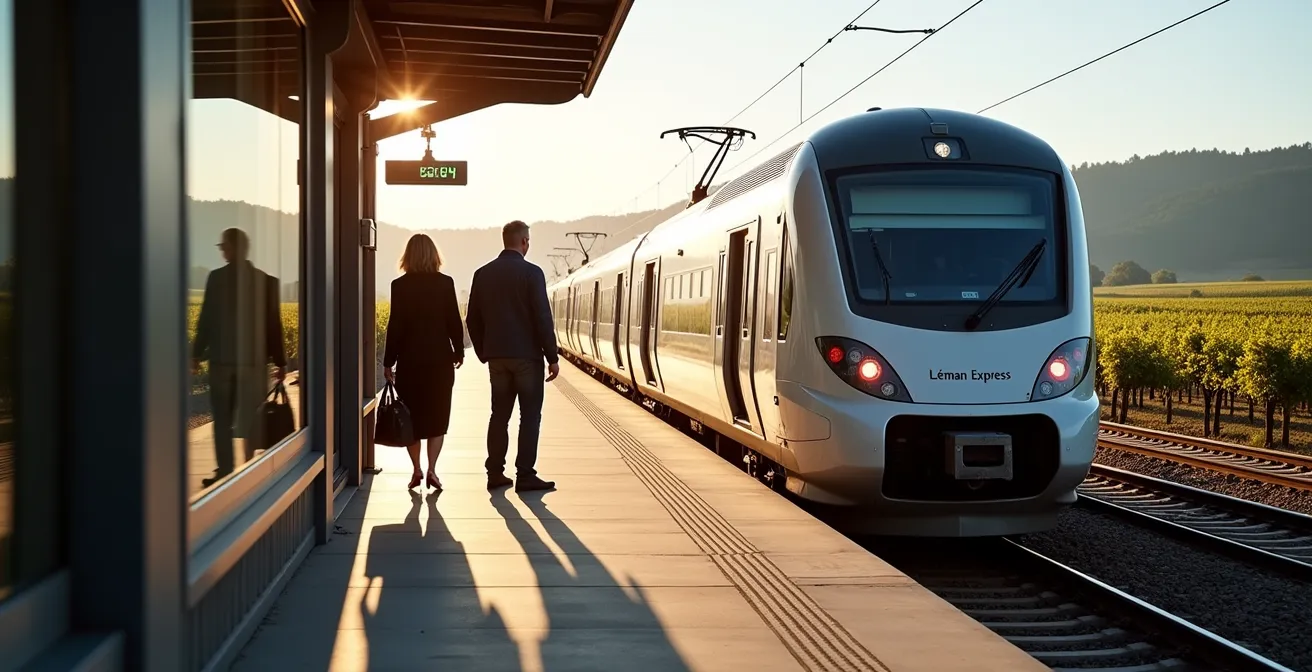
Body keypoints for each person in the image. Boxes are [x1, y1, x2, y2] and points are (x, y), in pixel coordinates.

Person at [465, 220, 559, 493]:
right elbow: (543, 318)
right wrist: (551, 357)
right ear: (524, 242)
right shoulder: (532, 274)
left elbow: (472, 319)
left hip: (498, 359)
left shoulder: (483, 274)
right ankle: (525, 475)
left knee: (499, 415)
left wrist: (484, 352)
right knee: (529, 416)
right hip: (527, 358)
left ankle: (495, 472)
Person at [192, 227, 287, 488]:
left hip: (222, 361)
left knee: (221, 419)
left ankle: (225, 470)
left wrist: (197, 353)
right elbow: (273, 325)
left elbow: (206, 320)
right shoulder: (266, 281)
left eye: (223, 247)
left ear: (233, 249)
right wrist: (281, 362)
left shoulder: (216, 279)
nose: (222, 251)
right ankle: (251, 470)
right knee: (252, 419)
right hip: (253, 363)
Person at [382, 233, 466, 491]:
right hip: (439, 362)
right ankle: (432, 470)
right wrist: (458, 351)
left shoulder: (400, 286)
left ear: (407, 256)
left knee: (412, 419)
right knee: (437, 418)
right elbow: (454, 320)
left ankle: (416, 469)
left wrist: (388, 362)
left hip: (409, 363)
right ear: (434, 255)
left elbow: (394, 326)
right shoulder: (445, 283)